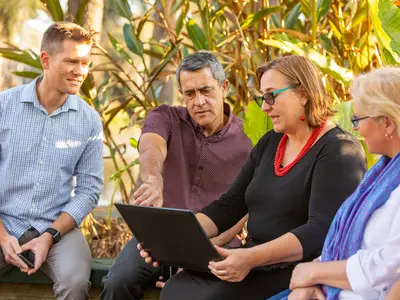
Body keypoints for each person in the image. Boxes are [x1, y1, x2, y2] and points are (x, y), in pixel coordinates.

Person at [139, 55, 368, 299]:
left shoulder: (339, 150)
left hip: (295, 270)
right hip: (252, 261)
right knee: (178, 288)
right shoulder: (270, 143)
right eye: (263, 98)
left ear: (303, 93)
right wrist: (174, 238)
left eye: (272, 96)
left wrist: (250, 258)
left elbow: (320, 230)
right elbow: (230, 204)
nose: (265, 106)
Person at [100, 52, 253, 300]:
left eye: (206, 90)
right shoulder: (166, 117)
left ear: (223, 87)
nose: (199, 101)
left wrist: (197, 252)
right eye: (190, 94)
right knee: (117, 282)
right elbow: (151, 147)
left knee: (180, 293)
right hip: (156, 239)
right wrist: (153, 179)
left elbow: (242, 210)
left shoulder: (249, 140)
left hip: (216, 245)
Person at [0, 22, 103, 300]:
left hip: (58, 228)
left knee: (75, 283)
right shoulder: (3, 107)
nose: (80, 71)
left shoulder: (89, 120)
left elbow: (89, 190)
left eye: (85, 62)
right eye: (71, 61)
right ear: (45, 60)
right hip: (3, 220)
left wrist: (50, 236)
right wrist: (2, 234)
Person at [280, 67, 400, 300]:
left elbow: (390, 263)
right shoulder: (380, 175)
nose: (354, 127)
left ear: (387, 122)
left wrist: (315, 272)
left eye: (358, 119)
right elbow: (345, 244)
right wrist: (313, 278)